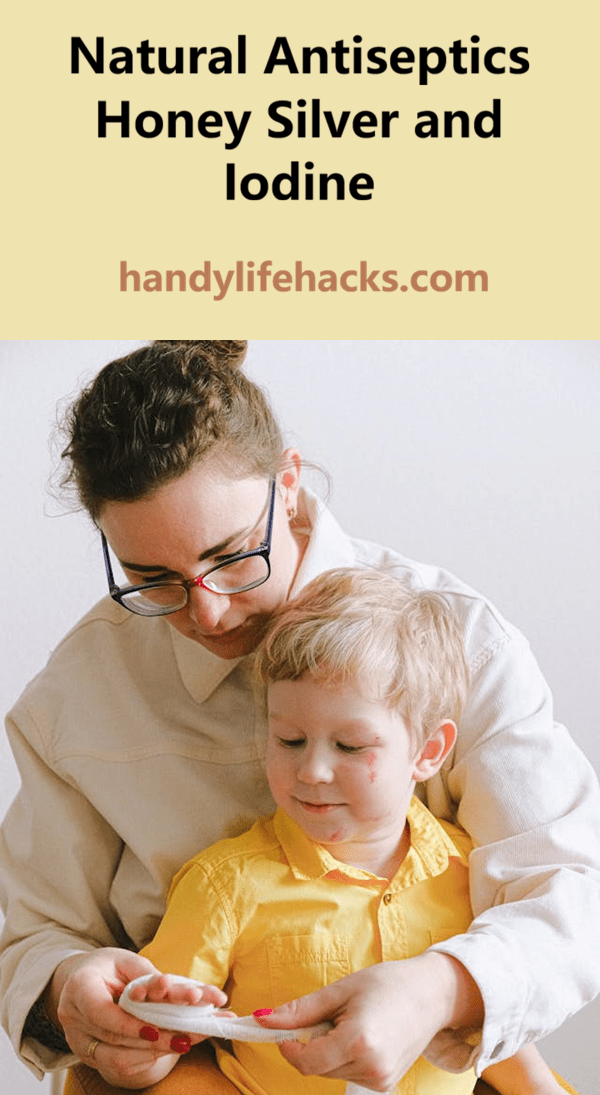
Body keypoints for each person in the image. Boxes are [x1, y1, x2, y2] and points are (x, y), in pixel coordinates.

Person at [0, 340, 598, 1093]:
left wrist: (441, 987)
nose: (207, 612)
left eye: (229, 554)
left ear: (288, 481)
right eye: (153, 581)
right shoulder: (75, 698)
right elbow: (34, 934)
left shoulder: (462, 642)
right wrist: (69, 990)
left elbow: (570, 886)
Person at [123, 566, 565, 1095]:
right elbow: (138, 1057)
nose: (312, 771)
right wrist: (159, 1021)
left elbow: (490, 1029)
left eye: (350, 747)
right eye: (289, 740)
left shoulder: (469, 870)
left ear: (427, 752)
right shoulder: (225, 885)